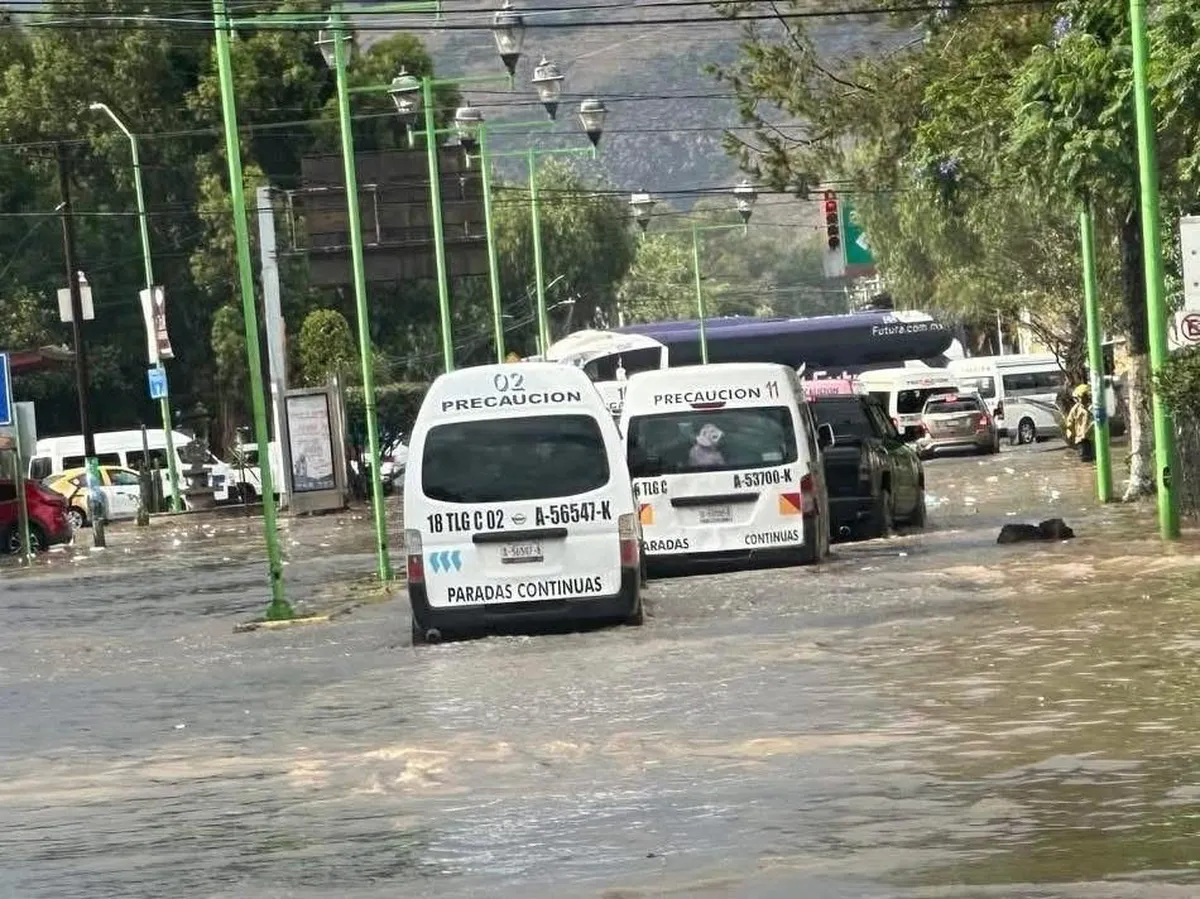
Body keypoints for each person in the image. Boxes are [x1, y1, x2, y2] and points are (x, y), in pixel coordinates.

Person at [1065, 383, 1095, 463]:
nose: (1079, 400)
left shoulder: (1094, 407)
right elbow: (1070, 423)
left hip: (1093, 438)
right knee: (1086, 460)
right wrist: (1070, 435)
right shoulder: (1076, 408)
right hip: (1082, 439)